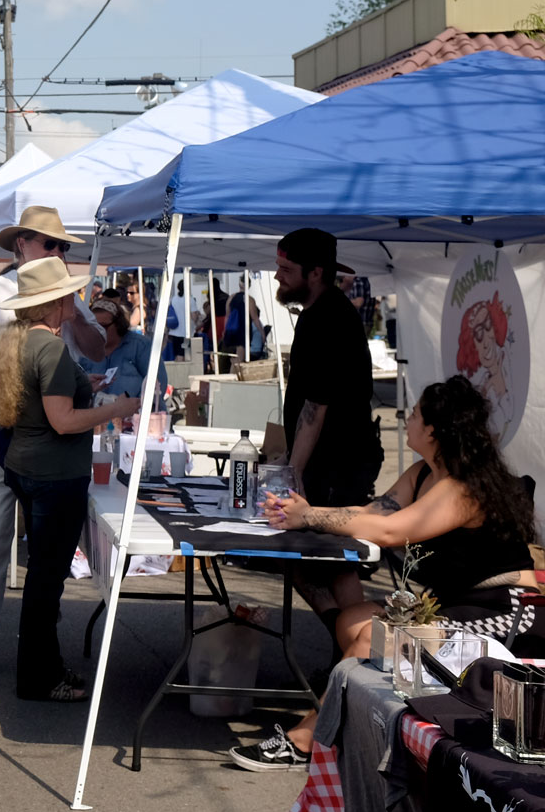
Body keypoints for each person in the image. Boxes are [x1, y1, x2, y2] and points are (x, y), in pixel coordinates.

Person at [231, 377, 541, 769]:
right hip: (459, 604)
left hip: (505, 613)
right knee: (353, 621)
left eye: (414, 415)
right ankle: (371, 728)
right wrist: (305, 511)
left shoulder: (464, 488)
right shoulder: (423, 474)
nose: (407, 420)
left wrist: (306, 516)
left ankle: (306, 740)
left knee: (368, 641)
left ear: (433, 429)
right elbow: (376, 513)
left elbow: (392, 532)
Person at [0, 257, 140, 701]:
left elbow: (41, 398)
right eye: (68, 294)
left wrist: (80, 384)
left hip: (28, 467)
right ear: (56, 302)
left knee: (43, 578)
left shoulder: (19, 340)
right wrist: (116, 410)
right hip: (53, 473)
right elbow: (63, 420)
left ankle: (42, 669)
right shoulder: (49, 347)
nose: (75, 301)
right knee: (46, 581)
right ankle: (38, 676)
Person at [0, 206, 105, 678]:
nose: (57, 252)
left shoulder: (70, 298)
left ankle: (41, 628)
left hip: (52, 438)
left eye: (62, 246)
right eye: (48, 243)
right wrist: (20, 349)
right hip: (7, 429)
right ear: (21, 245)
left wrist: (74, 314)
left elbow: (100, 347)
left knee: (48, 538)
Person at [276, 229, 382, 507]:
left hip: (335, 471)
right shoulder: (317, 313)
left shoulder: (328, 318)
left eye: (286, 269)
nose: (278, 276)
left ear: (315, 273)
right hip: (326, 467)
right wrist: (289, 457)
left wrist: (294, 471)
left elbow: (316, 405)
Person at [78, 295, 168, 402]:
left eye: (104, 326)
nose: (99, 331)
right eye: (94, 326)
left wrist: (136, 408)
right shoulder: (86, 350)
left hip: (135, 415)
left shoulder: (140, 346)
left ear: (118, 325)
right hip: (97, 415)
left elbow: (158, 383)